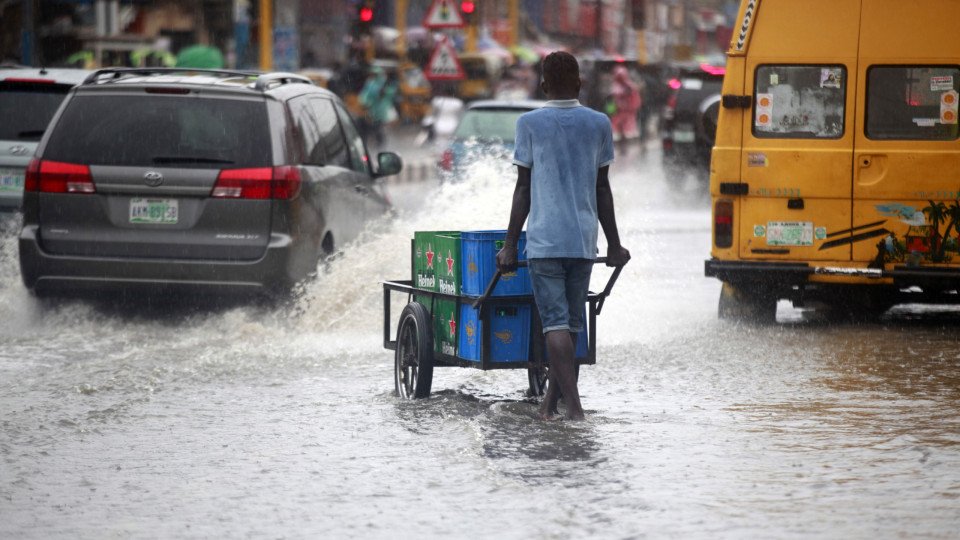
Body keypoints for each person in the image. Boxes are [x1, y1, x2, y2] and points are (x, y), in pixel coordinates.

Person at [496, 51, 631, 421]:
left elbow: (522, 189)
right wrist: (614, 244)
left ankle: (574, 409)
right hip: (583, 243)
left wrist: (510, 245)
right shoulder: (599, 123)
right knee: (570, 327)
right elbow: (603, 190)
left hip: (544, 242)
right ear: (580, 83)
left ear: (542, 85)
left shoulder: (529, 124)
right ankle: (548, 405)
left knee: (554, 325)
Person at [359, 67, 398, 148]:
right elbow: (365, 94)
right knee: (372, 124)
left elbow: (391, 92)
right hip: (372, 107)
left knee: (379, 125)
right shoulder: (370, 83)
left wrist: (385, 92)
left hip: (382, 107)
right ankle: (376, 140)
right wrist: (364, 103)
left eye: (375, 74)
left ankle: (380, 142)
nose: (373, 75)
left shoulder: (384, 82)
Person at [609, 65, 642, 143]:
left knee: (624, 132)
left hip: (624, 113)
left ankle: (623, 145)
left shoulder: (628, 86)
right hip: (620, 113)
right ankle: (623, 145)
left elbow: (635, 98)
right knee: (622, 131)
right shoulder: (626, 86)